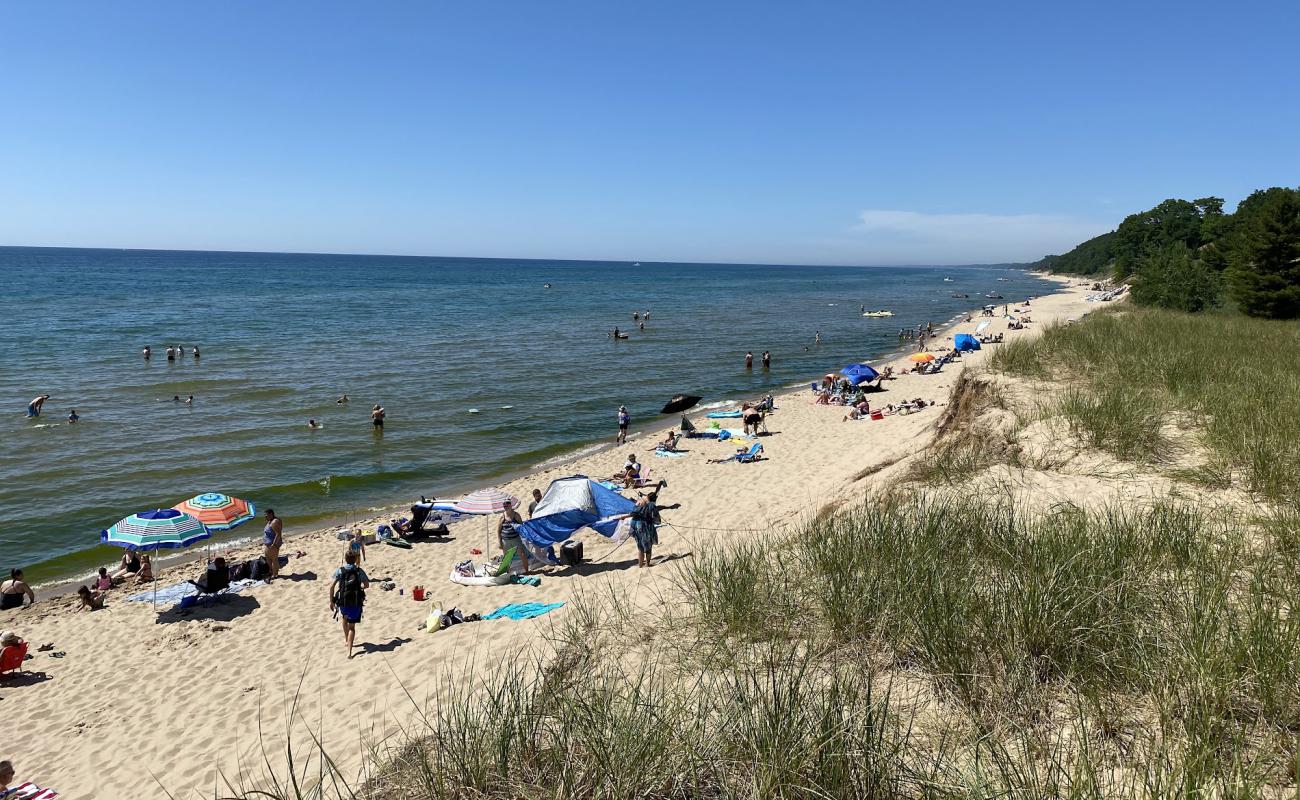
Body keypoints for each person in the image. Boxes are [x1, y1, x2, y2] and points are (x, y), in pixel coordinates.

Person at [621, 491, 680, 569]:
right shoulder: (651, 505)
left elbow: (633, 513)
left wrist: (625, 517)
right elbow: (656, 519)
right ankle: (647, 564)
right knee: (648, 547)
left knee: (640, 546)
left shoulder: (639, 503)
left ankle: (640, 565)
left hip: (637, 525)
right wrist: (655, 521)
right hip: (646, 527)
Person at [329, 551, 370, 659]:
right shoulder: (359, 571)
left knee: (344, 618)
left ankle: (347, 640)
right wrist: (359, 588)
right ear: (356, 559)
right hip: (355, 601)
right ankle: (349, 652)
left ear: (345, 559)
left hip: (343, 601)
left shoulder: (340, 570)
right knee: (352, 627)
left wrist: (331, 601)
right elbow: (367, 585)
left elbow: (332, 587)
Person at [497, 500, 529, 573]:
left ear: (510, 505)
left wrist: (524, 537)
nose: (505, 506)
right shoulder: (502, 516)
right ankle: (507, 573)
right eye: (504, 505)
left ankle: (527, 571)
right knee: (507, 558)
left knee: (522, 554)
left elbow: (521, 527)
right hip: (505, 540)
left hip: (516, 539)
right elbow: (499, 530)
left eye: (507, 505)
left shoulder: (516, 515)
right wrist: (499, 542)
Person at [263, 508, 284, 579]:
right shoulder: (271, 521)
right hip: (269, 544)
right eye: (265, 516)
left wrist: (274, 545)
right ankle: (272, 572)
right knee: (268, 558)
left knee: (274, 559)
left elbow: (278, 534)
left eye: (266, 515)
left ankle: (275, 575)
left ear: (271, 514)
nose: (265, 517)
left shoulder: (274, 522)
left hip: (272, 544)